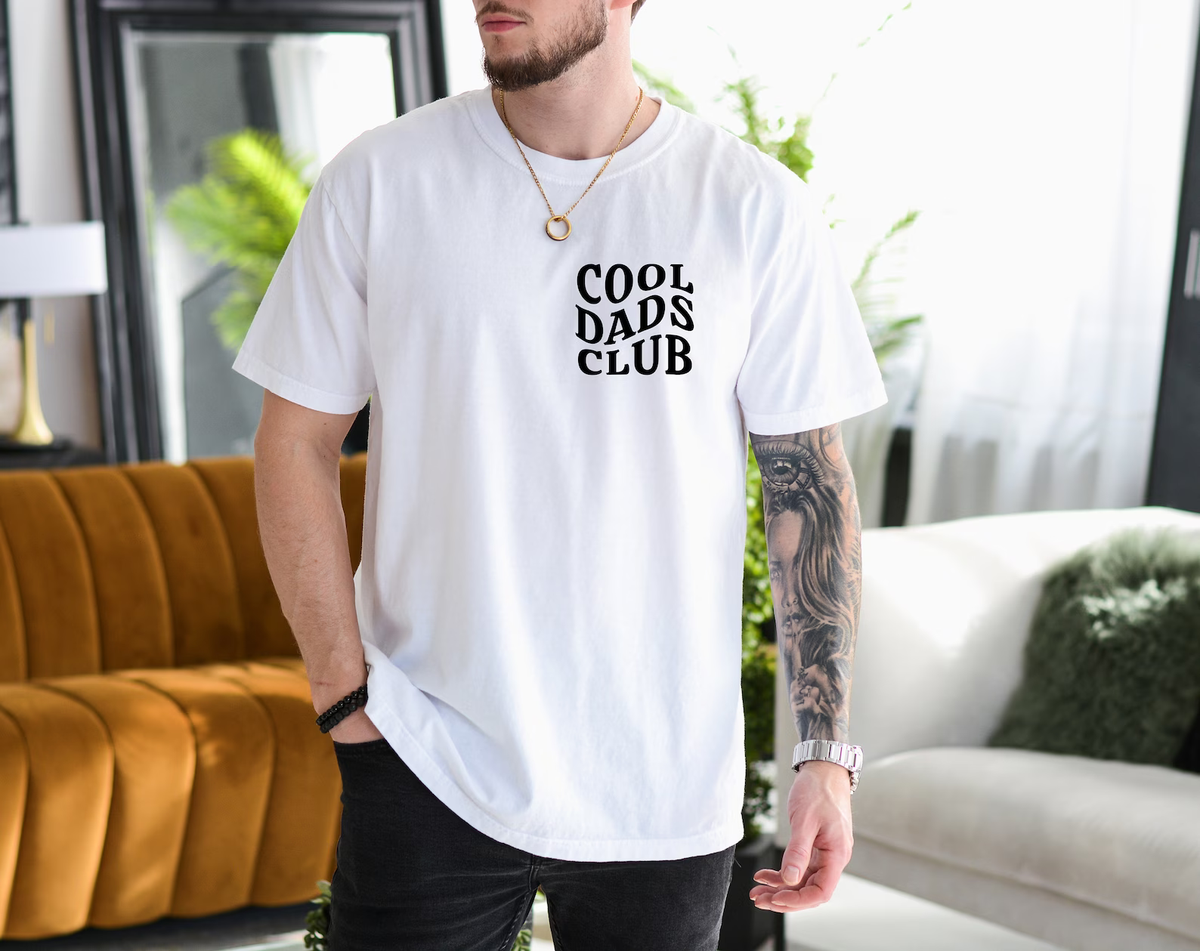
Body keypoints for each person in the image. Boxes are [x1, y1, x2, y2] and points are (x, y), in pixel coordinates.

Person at [235, 0, 887, 947]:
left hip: (661, 777)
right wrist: (343, 693)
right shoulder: (381, 181)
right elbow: (292, 440)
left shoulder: (749, 206)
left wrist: (825, 757)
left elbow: (808, 486)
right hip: (424, 751)